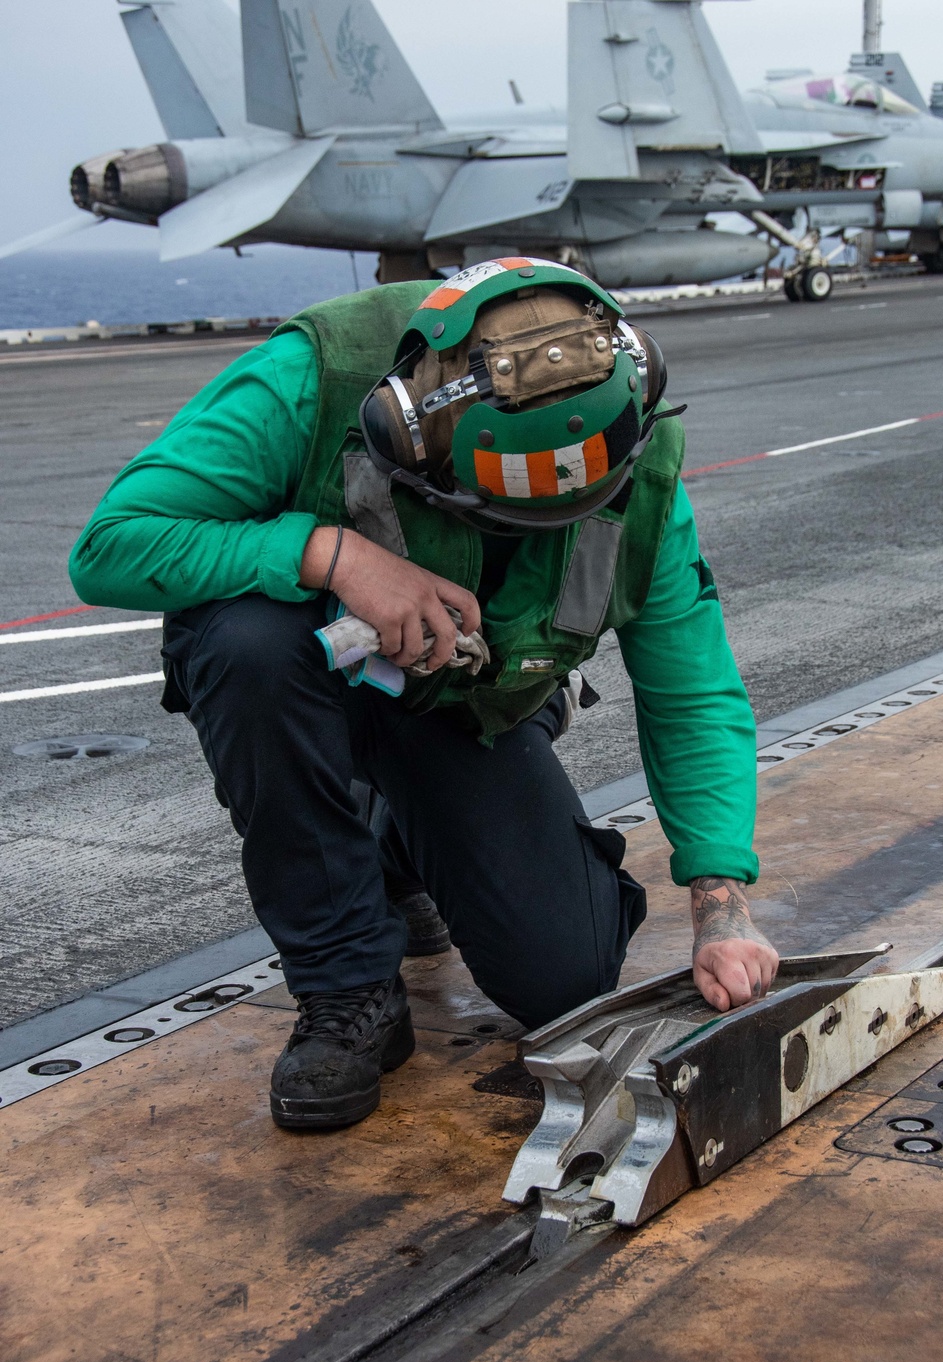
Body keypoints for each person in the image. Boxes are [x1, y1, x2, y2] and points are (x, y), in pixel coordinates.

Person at [69, 258, 778, 1131]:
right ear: (416, 440)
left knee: (567, 978)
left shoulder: (634, 453)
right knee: (243, 645)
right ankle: (348, 986)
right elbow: (111, 545)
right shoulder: (315, 375)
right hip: (305, 672)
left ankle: (396, 844)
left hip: (457, 698)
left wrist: (721, 903)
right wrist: (332, 556)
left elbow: (691, 684)